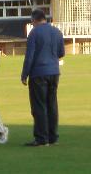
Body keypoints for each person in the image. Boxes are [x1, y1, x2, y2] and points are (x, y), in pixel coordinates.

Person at [21, 9, 65, 147]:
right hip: (54, 72)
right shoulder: (57, 32)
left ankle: (41, 138)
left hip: (39, 73)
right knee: (52, 105)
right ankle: (53, 137)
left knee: (39, 106)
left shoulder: (34, 33)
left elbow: (30, 57)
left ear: (34, 20)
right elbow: (61, 53)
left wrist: (24, 74)